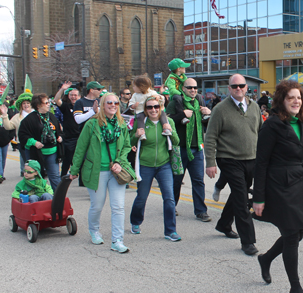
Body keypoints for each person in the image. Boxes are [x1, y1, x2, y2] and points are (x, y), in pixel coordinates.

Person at [252, 80, 303, 293]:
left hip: (300, 184)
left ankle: (266, 258)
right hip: (280, 186)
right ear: (282, 100)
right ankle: (295, 288)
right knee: (291, 236)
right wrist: (258, 197)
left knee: (298, 233)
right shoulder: (271, 125)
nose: (296, 101)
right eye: (291, 98)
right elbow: (261, 163)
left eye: (299, 98)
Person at [204, 73, 263, 255]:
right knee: (242, 200)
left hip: (251, 159)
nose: (239, 89)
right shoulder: (220, 109)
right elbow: (211, 137)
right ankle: (248, 242)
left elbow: (261, 132)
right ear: (229, 89)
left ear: (247, 88)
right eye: (235, 86)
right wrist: (210, 162)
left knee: (240, 194)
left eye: (242, 86)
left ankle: (223, 224)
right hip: (229, 159)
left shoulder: (255, 107)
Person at [70, 93, 135, 253]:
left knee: (118, 207)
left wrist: (119, 162)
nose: (113, 105)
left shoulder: (121, 123)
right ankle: (94, 230)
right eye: (109, 103)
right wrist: (74, 170)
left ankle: (117, 241)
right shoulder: (92, 124)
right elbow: (80, 148)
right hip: (96, 171)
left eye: (116, 103)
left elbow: (127, 145)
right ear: (102, 105)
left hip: (116, 172)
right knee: (97, 206)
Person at [130, 96, 182, 241]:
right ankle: (135, 221)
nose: (153, 110)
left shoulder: (168, 121)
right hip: (145, 165)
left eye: (156, 107)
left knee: (169, 199)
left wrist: (170, 131)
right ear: (145, 110)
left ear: (161, 108)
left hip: (164, 165)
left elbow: (177, 142)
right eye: (149, 107)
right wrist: (136, 135)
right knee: (141, 197)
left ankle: (170, 231)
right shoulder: (142, 123)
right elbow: (130, 142)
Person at [165, 78, 212, 222]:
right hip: (180, 149)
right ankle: (171, 207)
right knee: (176, 181)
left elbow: (209, 123)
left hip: (197, 148)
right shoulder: (175, 102)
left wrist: (209, 113)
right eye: (189, 87)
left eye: (195, 88)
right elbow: (166, 120)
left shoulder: (200, 102)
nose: (193, 90)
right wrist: (182, 115)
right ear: (183, 89)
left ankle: (201, 211)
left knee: (198, 181)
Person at [18, 94, 64, 191]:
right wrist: (34, 142)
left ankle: (59, 199)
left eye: (49, 102)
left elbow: (59, 131)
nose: (48, 104)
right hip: (37, 153)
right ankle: (38, 197)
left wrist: (60, 137)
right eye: (46, 103)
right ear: (38, 105)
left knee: (55, 176)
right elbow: (23, 135)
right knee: (37, 177)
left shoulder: (51, 116)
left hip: (52, 151)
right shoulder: (29, 119)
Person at [130, 75, 171, 141]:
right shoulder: (135, 95)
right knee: (140, 117)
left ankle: (165, 127)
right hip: (141, 111)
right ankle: (142, 133)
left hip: (152, 110)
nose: (133, 88)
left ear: (141, 87)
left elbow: (162, 98)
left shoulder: (152, 92)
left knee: (162, 113)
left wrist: (158, 97)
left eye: (134, 86)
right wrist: (133, 106)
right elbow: (130, 104)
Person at [1, 92, 34, 176]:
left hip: (36, 142)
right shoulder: (17, 116)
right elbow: (8, 126)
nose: (26, 105)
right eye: (24, 103)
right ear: (21, 105)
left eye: (28, 103)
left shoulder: (36, 114)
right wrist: (5, 115)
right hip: (23, 143)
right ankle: (27, 174)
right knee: (27, 160)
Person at [54, 82, 81, 177]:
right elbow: (56, 100)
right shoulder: (66, 106)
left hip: (81, 137)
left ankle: (82, 180)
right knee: (67, 159)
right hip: (69, 138)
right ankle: (63, 178)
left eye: (75, 95)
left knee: (81, 159)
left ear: (79, 96)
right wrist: (62, 89)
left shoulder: (82, 107)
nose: (73, 97)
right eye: (71, 95)